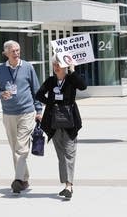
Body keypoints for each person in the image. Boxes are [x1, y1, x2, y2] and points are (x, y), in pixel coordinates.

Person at [0, 40, 42, 194]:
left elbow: (36, 90)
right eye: (13, 51)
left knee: (21, 147)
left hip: (27, 112)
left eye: (18, 50)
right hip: (8, 114)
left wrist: (39, 110)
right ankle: (24, 180)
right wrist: (1, 94)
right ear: (6, 53)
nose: (16, 53)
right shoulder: (0, 70)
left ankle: (18, 180)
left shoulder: (28, 67)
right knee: (15, 149)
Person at [36, 54, 87, 200]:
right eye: (54, 65)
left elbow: (83, 86)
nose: (56, 67)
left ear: (65, 66)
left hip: (70, 122)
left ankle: (69, 186)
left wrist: (72, 70)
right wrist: (51, 103)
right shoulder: (51, 81)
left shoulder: (71, 79)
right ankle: (66, 183)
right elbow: (38, 94)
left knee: (69, 153)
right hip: (54, 123)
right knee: (61, 156)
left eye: (59, 64)